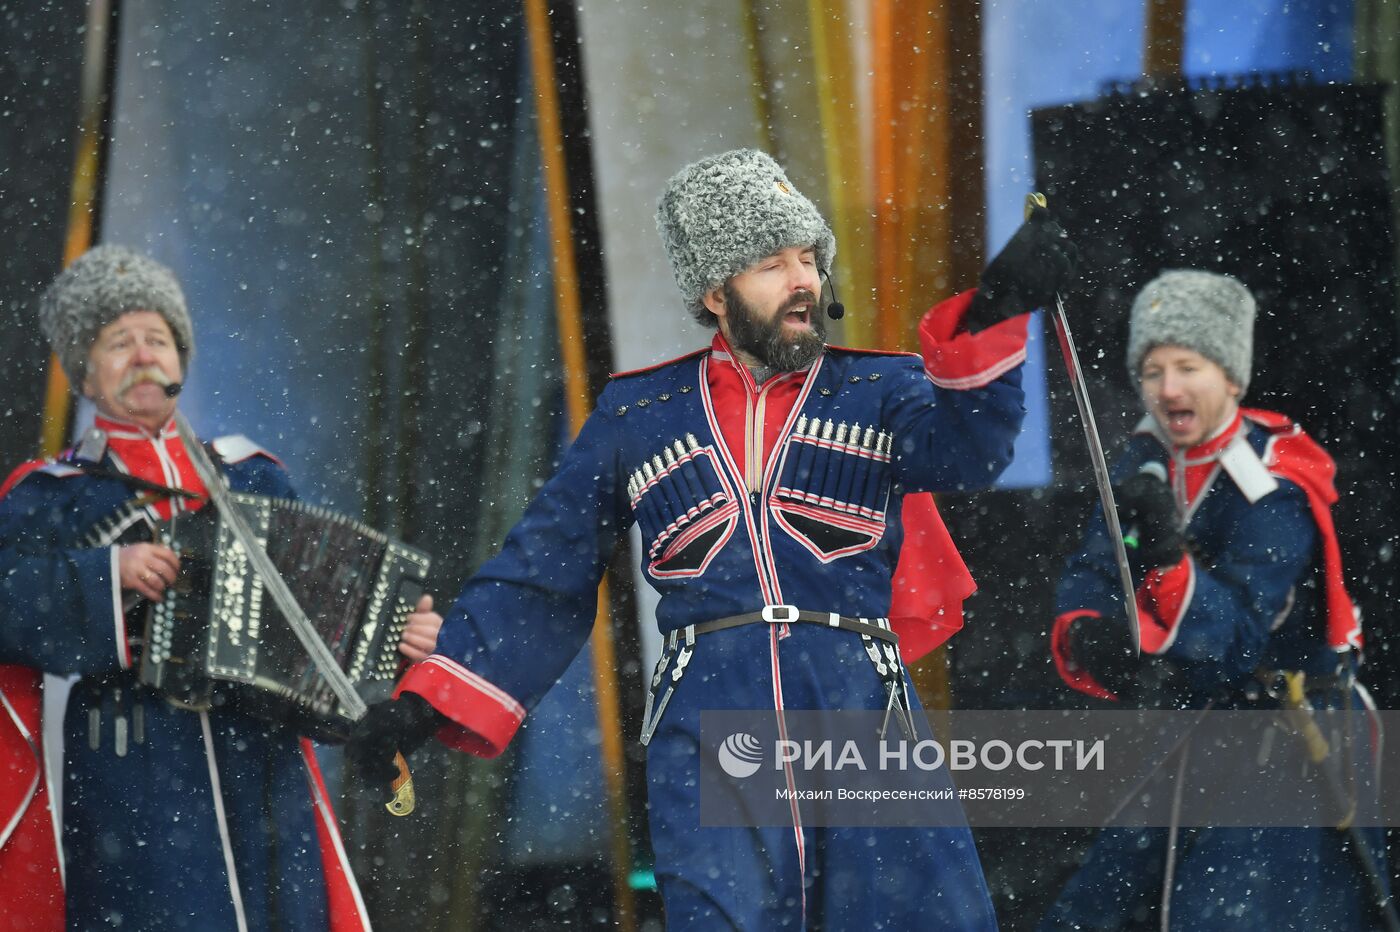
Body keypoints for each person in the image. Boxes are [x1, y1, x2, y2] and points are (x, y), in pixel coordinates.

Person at [349, 148, 1075, 929]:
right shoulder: (638, 413)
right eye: (772, 263)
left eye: (810, 259)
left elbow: (971, 451)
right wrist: (425, 704)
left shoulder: (882, 388)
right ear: (713, 291)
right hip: (712, 723)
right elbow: (541, 572)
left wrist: (995, 307)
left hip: (861, 710)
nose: (803, 280)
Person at [0, 245, 440, 931]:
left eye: (159, 339)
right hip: (126, 770)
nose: (145, 355)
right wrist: (104, 576)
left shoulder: (252, 478)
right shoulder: (47, 497)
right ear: (84, 373)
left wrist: (391, 644)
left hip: (261, 767)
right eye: (119, 342)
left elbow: (316, 642)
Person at [1041, 270, 1388, 930]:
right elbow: (1092, 569)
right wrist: (1090, 631)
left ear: (1230, 377)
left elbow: (1234, 640)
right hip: (1195, 724)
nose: (1167, 388)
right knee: (1092, 906)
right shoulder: (1142, 457)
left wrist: (1170, 563)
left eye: (1187, 366)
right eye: (1152, 370)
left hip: (1289, 733)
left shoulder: (1273, 484)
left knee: (1223, 913)